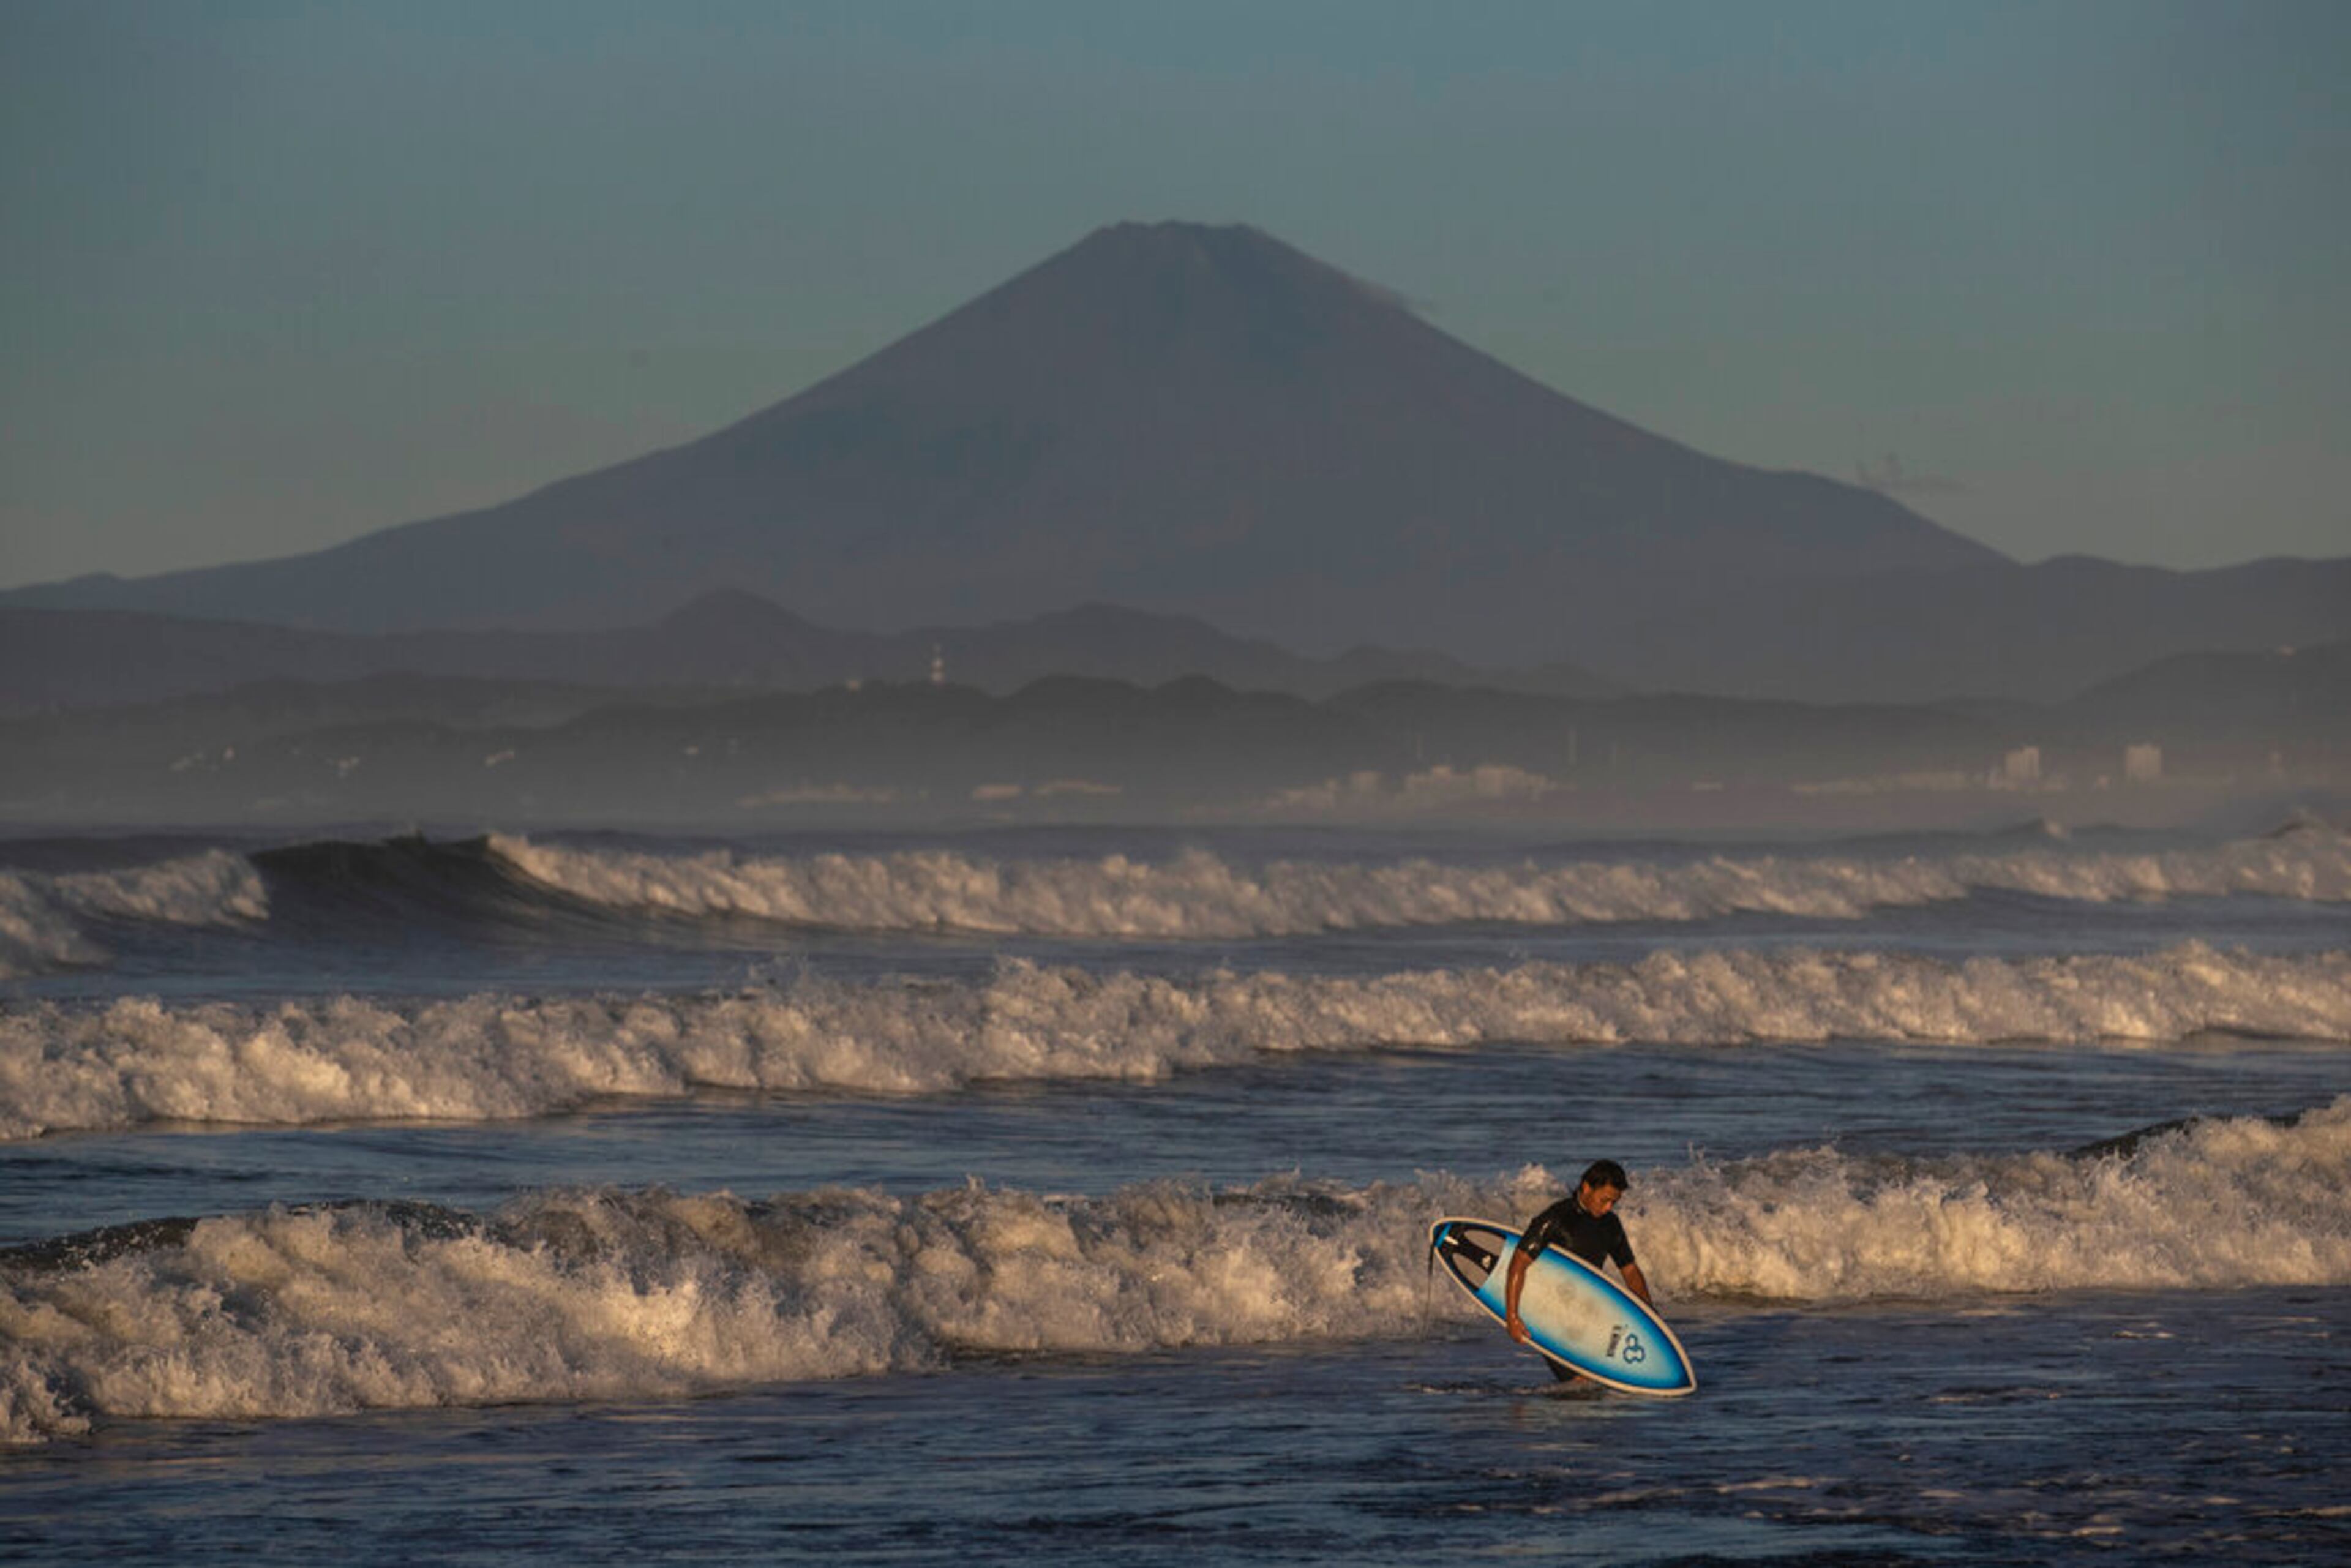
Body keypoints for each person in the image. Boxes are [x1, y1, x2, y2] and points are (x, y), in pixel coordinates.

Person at [1502, 1160, 1652, 1379]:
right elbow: (1518, 1263)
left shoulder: (1610, 1225)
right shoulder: (1556, 1219)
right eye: (1605, 1200)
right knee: (1579, 1384)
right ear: (1586, 1187)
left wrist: (1649, 1314)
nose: (1608, 1207)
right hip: (1547, 1314)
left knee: (1594, 1385)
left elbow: (1629, 1270)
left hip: (1586, 1312)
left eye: (1614, 1202)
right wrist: (1513, 1317)